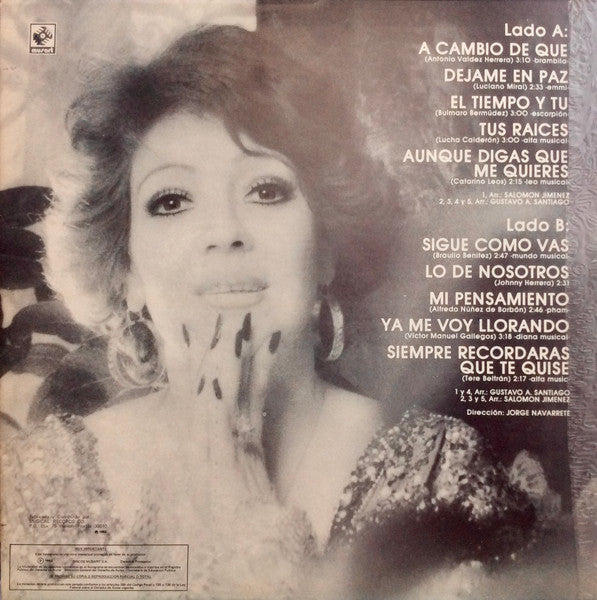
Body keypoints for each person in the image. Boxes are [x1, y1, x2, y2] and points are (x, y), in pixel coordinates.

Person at [2, 25, 570, 600]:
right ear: (125, 272)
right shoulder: (40, 481)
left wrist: (252, 539)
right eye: (171, 201)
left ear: (326, 251)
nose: (224, 232)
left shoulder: (438, 470)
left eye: (267, 190)